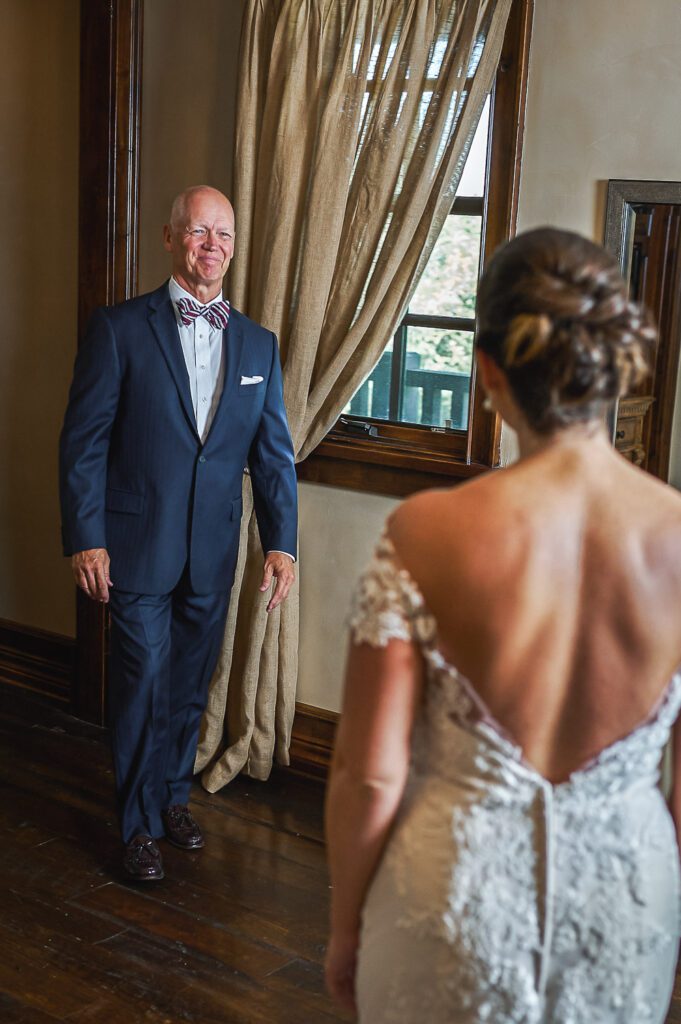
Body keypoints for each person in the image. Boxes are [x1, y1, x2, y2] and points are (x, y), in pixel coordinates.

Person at [325, 227, 681, 1022]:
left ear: (487, 369)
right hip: (625, 909)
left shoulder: (425, 533)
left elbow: (368, 775)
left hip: (453, 908)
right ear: (610, 365)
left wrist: (345, 927)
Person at [60, 185, 297, 882]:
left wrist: (280, 542)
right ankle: (134, 827)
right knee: (140, 681)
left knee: (189, 686)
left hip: (212, 551)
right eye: (198, 232)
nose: (211, 245)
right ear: (170, 239)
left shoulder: (257, 344)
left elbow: (272, 455)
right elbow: (83, 444)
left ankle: (170, 799)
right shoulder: (118, 328)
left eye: (222, 234)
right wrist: (86, 535)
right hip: (132, 547)